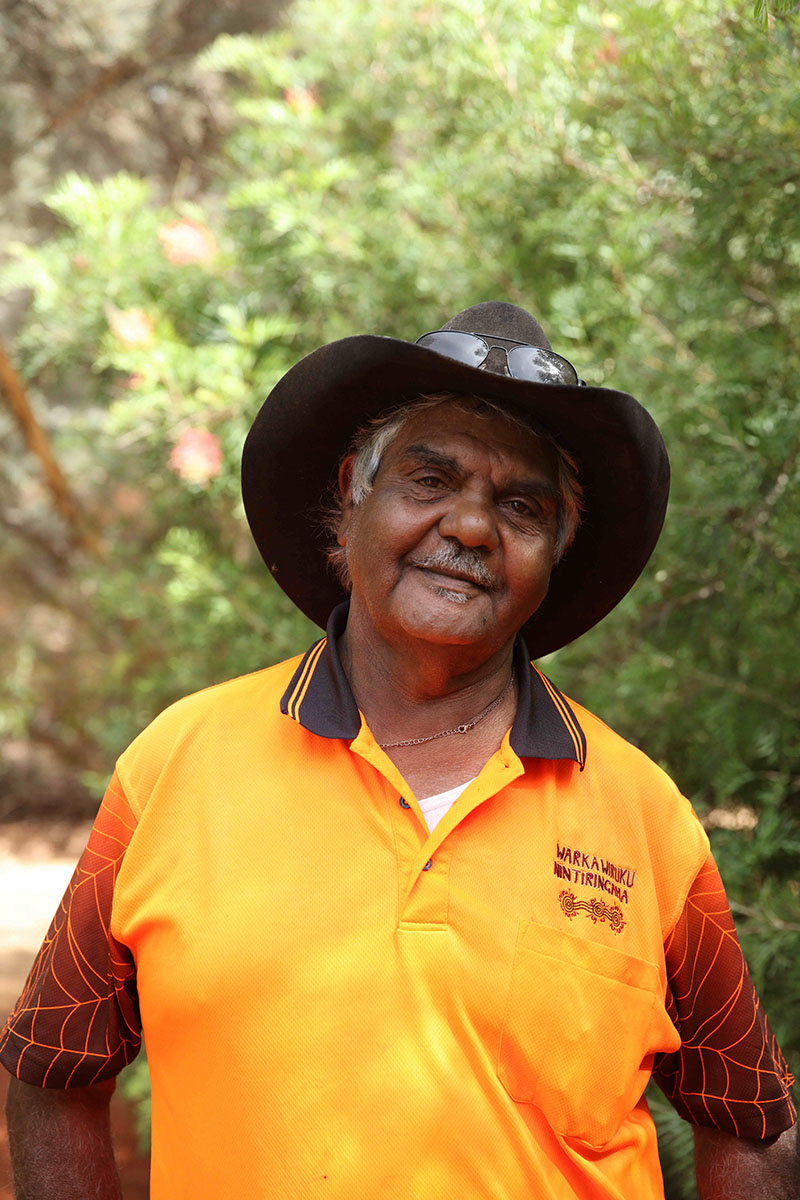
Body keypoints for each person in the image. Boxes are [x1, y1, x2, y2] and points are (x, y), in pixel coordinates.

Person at [2, 302, 796, 1199]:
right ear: (353, 492)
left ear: (557, 551)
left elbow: (751, 1129)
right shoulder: (175, 768)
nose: (470, 528)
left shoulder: (645, 816)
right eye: (429, 480)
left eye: (522, 506)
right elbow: (52, 1065)